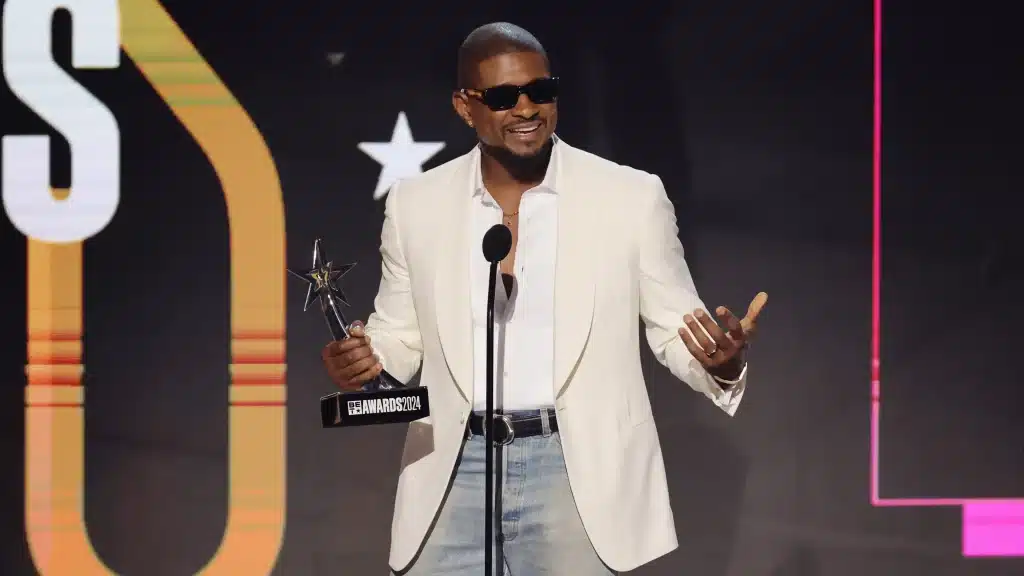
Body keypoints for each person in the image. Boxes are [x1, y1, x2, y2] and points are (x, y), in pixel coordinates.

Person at [322, 22, 768, 576]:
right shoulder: (416, 204)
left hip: (575, 473)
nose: (527, 108)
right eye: (504, 97)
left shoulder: (630, 196)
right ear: (465, 107)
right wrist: (366, 361)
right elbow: (400, 336)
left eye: (542, 91)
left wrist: (721, 362)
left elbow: (676, 328)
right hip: (450, 469)